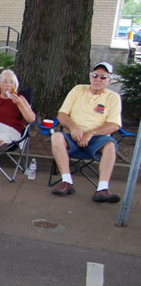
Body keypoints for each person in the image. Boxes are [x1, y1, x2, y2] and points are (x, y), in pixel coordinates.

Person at [51, 62, 123, 203]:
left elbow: (114, 125)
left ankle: (102, 189)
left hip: (97, 139)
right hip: (72, 136)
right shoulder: (78, 90)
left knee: (110, 146)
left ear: (109, 80)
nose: (97, 79)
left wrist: (91, 133)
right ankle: (66, 182)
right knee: (56, 137)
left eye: (103, 77)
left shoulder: (113, 97)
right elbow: (62, 114)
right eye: (95, 75)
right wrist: (73, 127)